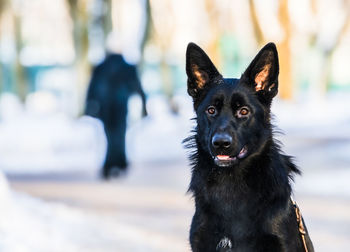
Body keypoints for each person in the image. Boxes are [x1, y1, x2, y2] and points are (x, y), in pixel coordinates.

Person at [85, 53, 147, 179]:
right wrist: (144, 106)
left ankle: (112, 163)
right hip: (120, 105)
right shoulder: (126, 67)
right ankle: (118, 162)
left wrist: (89, 106)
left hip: (105, 106)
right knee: (119, 134)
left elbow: (92, 88)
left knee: (110, 135)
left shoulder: (101, 67)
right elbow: (137, 87)